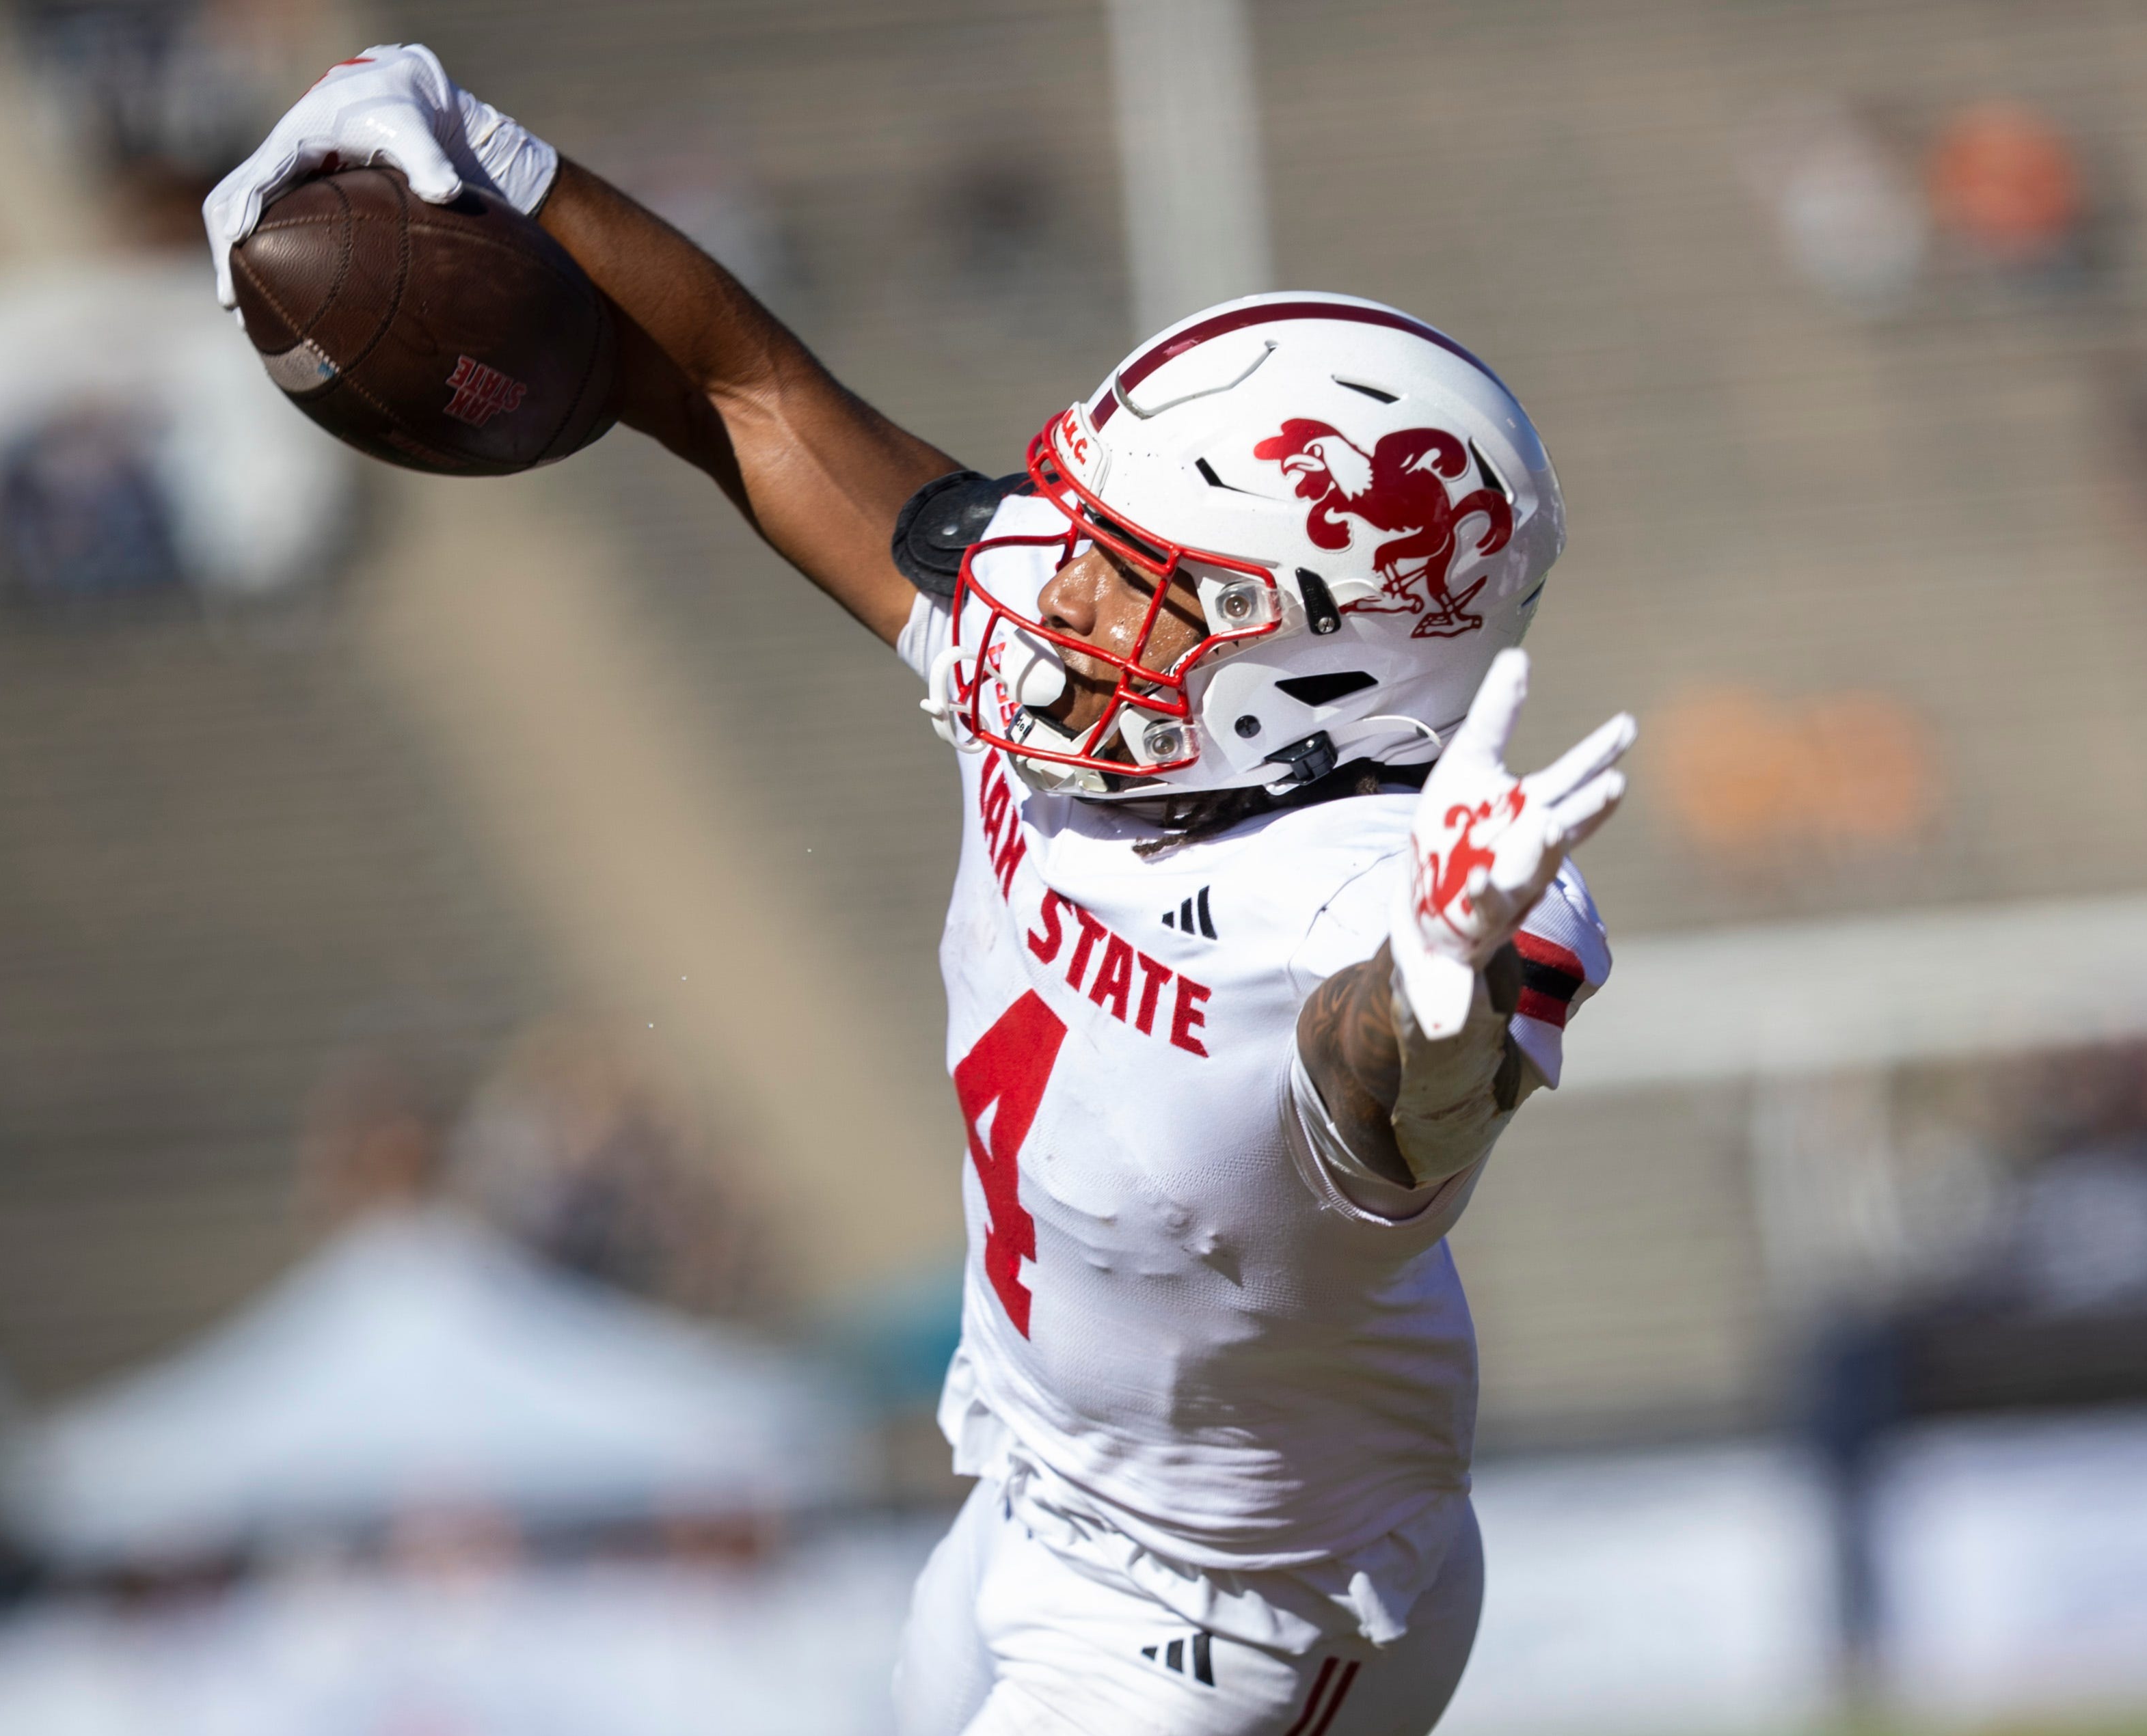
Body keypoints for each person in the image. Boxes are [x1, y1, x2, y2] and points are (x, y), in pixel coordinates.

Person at [202, 46, 1634, 1735]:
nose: (1055, 584)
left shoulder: (1385, 903)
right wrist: (490, 154)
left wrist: (1433, 987)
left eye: (1138, 577)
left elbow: (1380, 1093)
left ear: (1321, 661)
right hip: (1024, 1498)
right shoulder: (1080, 690)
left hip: (1245, 1606)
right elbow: (735, 391)